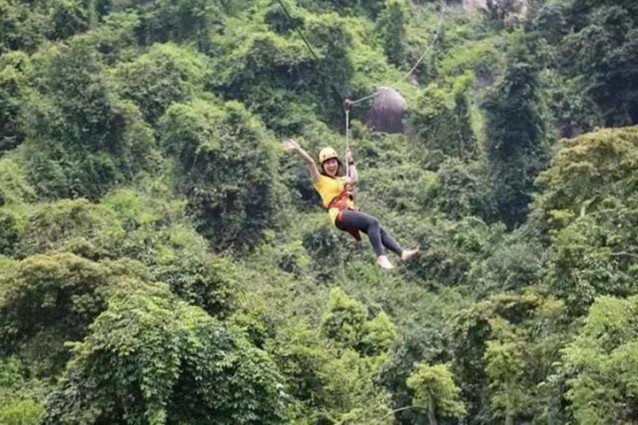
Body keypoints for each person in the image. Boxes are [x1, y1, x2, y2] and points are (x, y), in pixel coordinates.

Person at [283, 138, 420, 270]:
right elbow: (310, 162)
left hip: (350, 211)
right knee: (373, 222)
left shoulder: (341, 179)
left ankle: (402, 253)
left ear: (337, 162)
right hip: (339, 214)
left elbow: (354, 179)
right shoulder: (320, 180)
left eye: (333, 162)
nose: (331, 165)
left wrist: (351, 161)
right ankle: (381, 256)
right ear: (323, 166)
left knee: (378, 228)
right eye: (327, 163)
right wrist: (298, 149)